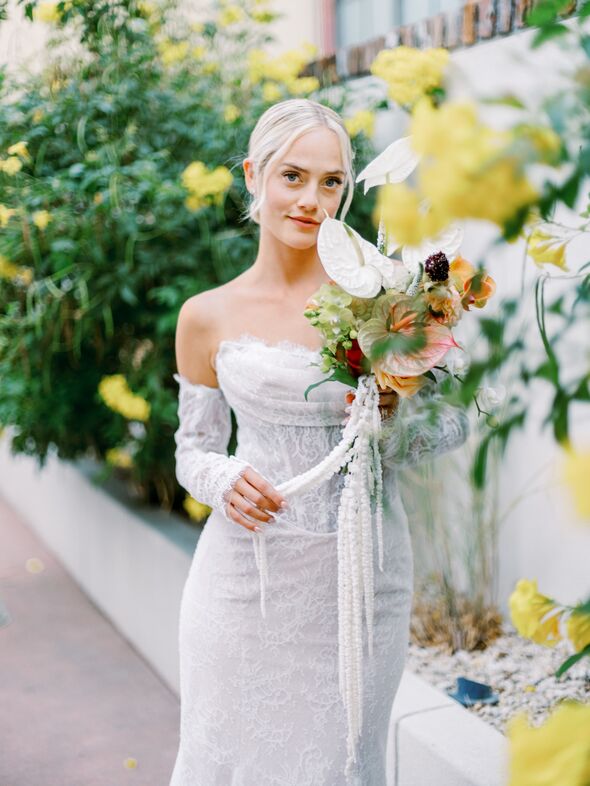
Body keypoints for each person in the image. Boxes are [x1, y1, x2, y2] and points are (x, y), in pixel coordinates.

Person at [169, 98, 469, 786]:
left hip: (361, 584)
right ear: (254, 175)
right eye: (292, 176)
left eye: (331, 181)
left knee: (340, 764)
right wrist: (222, 482)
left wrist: (393, 422)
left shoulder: (387, 304)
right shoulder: (205, 316)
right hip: (242, 586)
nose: (310, 200)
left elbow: (456, 421)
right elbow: (193, 450)